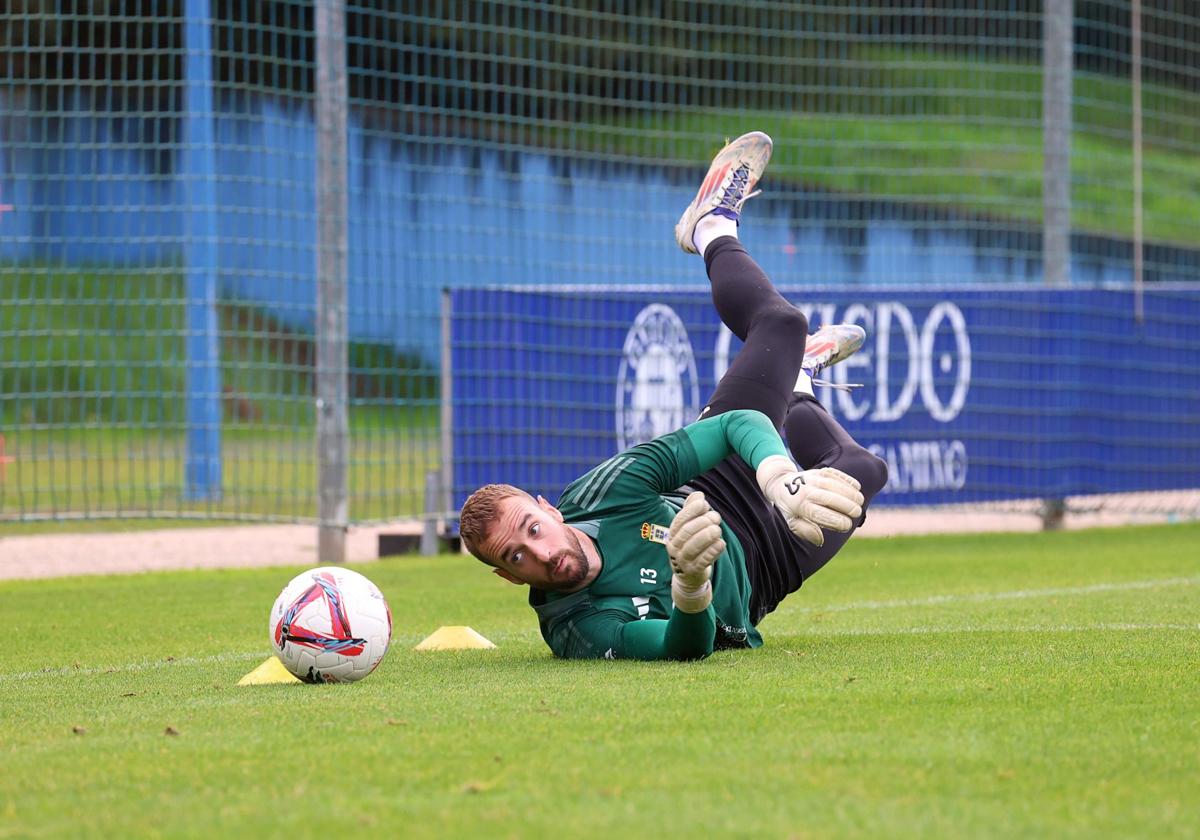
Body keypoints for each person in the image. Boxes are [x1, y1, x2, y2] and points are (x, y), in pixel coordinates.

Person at [458, 131, 889, 660]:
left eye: (533, 528)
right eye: (518, 556)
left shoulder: (605, 493)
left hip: (715, 492)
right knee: (863, 469)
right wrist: (690, 587)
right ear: (507, 576)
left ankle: (711, 225)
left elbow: (736, 426)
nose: (541, 552)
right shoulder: (573, 626)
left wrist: (779, 479)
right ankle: (798, 379)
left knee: (781, 323)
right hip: (762, 576)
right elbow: (681, 649)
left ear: (547, 508)